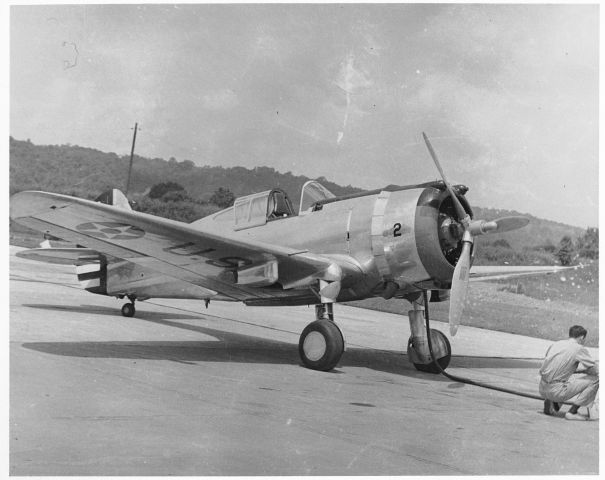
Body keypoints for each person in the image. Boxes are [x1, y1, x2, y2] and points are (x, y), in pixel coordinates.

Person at [539, 325, 599, 420]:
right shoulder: (579, 348)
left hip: (542, 388)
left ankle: (554, 403)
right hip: (556, 390)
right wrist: (588, 371)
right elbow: (597, 371)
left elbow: (554, 366)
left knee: (568, 376)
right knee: (596, 379)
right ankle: (573, 412)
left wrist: (581, 371)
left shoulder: (556, 344)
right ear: (582, 337)